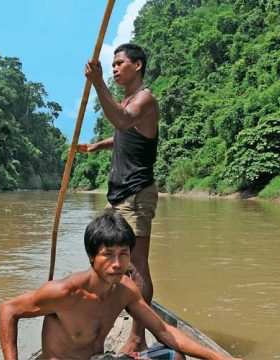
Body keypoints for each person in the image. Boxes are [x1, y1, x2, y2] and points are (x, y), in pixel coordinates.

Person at [0, 210, 237, 360]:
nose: (116, 263)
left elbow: (163, 330)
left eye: (123, 254)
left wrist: (216, 357)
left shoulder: (125, 290)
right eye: (108, 254)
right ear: (92, 257)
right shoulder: (65, 292)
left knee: (173, 356)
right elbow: (8, 310)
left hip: (101, 358)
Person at [79, 43, 160, 352]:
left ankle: (137, 337)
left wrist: (97, 82)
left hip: (136, 193)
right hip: (117, 194)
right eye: (110, 65)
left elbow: (124, 121)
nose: (113, 69)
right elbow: (124, 134)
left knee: (136, 264)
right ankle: (103, 317)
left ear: (137, 65)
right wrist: (97, 146)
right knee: (109, 254)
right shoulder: (128, 100)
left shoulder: (145, 99)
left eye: (118, 63)